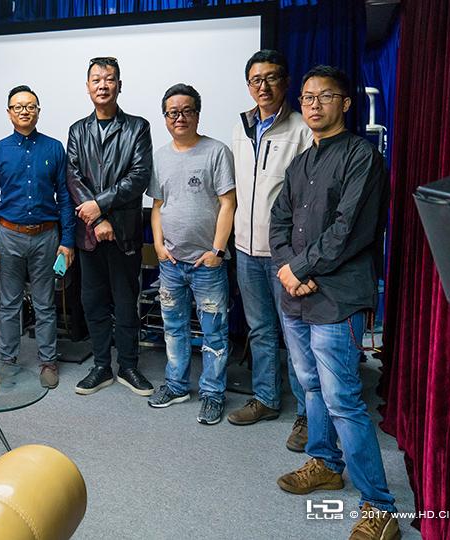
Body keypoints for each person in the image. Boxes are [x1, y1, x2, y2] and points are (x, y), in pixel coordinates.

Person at [270, 65, 399, 540]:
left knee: (343, 398)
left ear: (345, 103)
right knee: (310, 385)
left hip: (337, 295)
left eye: (324, 96)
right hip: (297, 295)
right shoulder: (301, 162)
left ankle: (379, 507)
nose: (313, 104)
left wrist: (300, 270)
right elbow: (278, 221)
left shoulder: (362, 157)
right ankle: (324, 462)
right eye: (307, 97)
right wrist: (288, 269)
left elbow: (350, 229)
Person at [225, 50, 314, 452]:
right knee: (260, 329)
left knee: (295, 335)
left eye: (271, 78)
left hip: (285, 254)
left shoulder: (301, 130)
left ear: (286, 82)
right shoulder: (240, 127)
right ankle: (266, 398)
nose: (263, 86)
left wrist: (298, 255)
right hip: (246, 249)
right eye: (255, 80)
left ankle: (307, 414)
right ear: (248, 86)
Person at [145, 83, 236, 425]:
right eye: (173, 113)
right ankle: (176, 385)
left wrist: (217, 251)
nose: (179, 118)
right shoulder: (160, 157)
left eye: (186, 111)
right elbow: (157, 206)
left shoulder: (216, 152)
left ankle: (213, 394)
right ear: (165, 118)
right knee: (173, 328)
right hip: (171, 263)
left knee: (214, 332)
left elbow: (228, 203)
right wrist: (158, 246)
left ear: (197, 114)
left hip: (207, 264)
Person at [66, 57, 154, 397]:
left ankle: (128, 366)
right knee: (93, 302)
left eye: (109, 79)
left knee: (126, 300)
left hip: (124, 233)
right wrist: (98, 218)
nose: (103, 85)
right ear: (88, 87)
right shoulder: (78, 130)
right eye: (96, 79)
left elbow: (139, 177)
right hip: (89, 232)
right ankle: (101, 366)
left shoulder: (137, 127)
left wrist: (100, 205)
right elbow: (74, 177)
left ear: (119, 85)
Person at [0, 85, 76, 389]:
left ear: (38, 111)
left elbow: (65, 198)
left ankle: (48, 361)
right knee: (9, 304)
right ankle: (8, 361)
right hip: (9, 235)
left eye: (30, 106)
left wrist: (67, 241)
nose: (24, 111)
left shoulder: (54, 148)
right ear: (9, 113)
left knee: (45, 304)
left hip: (47, 237)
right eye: (18, 106)